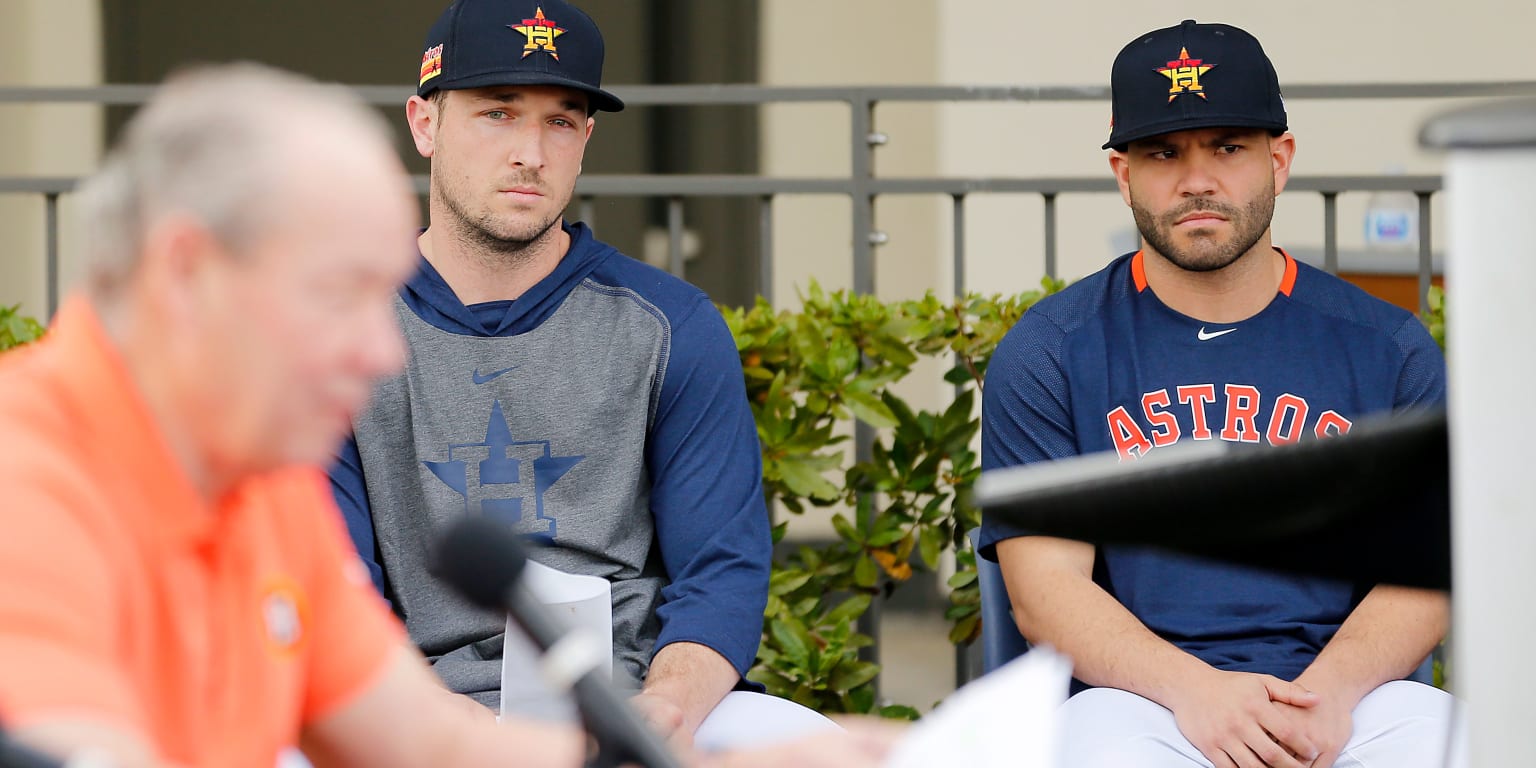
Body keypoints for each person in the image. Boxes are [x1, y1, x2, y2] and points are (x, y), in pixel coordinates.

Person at [0, 60, 898, 768]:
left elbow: (428, 746)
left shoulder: (253, 481)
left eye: (560, 122)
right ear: (187, 273)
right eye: (341, 293)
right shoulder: (26, 474)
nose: (384, 349)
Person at [978, 20, 1464, 768]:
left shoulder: (1386, 346)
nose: (1196, 179)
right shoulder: (1053, 350)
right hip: (1142, 701)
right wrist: (1199, 693)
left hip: (1350, 698)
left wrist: (1326, 697)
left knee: (1464, 742)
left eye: (1228, 148)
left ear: (1280, 160)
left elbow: (1425, 579)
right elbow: (1045, 594)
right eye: (1163, 153)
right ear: (1123, 174)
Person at [327, 0, 792, 752]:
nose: (531, 153)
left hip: (634, 699)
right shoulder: (337, 333)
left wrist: (665, 707)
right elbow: (334, 598)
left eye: (561, 121)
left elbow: (723, 574)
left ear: (585, 140)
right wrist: (465, 737)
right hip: (418, 715)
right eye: (498, 114)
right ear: (424, 124)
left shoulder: (670, 323)